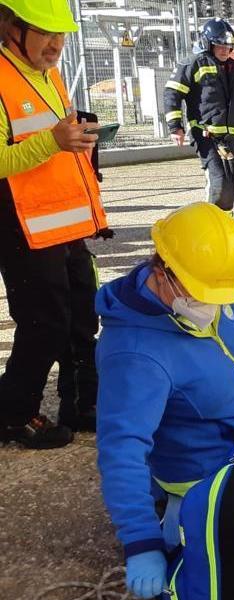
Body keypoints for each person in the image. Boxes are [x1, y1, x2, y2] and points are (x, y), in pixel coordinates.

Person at [95, 203, 234, 600]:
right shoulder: (134, 355)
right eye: (203, 295)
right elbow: (122, 449)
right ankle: (168, 514)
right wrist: (141, 544)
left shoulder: (200, 289)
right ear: (162, 271)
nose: (213, 306)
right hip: (197, 474)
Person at [0, 0, 108, 448]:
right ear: (10, 27)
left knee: (83, 316)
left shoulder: (46, 73)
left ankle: (80, 404)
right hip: (22, 227)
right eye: (45, 32)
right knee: (45, 325)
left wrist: (77, 135)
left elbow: (51, 143)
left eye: (60, 33)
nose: (56, 44)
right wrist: (53, 140)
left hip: (61, 224)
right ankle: (12, 415)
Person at [164, 18, 234, 213]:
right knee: (218, 182)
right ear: (208, 44)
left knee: (232, 184)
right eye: (220, 46)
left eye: (228, 47)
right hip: (206, 133)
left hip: (230, 136)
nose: (225, 50)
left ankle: (225, 226)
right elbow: (172, 93)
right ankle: (210, 226)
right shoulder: (193, 64)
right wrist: (175, 126)